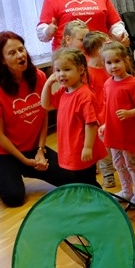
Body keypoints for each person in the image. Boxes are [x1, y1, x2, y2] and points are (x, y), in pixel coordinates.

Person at [0, 31, 74, 207]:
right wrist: (24, 161)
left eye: (21, 49)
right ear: (2, 60)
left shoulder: (38, 76)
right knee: (14, 198)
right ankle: (0, 177)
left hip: (32, 149)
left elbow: (43, 116)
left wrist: (40, 150)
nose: (20, 55)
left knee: (71, 178)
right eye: (12, 53)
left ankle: (20, 169)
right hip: (1, 153)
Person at [41, 48, 106, 185]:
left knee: (87, 182)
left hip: (81, 147)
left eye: (67, 69)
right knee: (79, 181)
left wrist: (87, 147)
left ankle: (99, 198)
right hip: (70, 148)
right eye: (58, 70)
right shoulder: (63, 91)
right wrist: (48, 83)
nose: (61, 74)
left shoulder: (85, 95)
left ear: (81, 70)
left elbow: (91, 124)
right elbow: (46, 104)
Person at [99, 41, 135, 206]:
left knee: (131, 164)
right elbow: (107, 107)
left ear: (126, 60)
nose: (113, 66)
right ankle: (127, 191)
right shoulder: (107, 84)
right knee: (118, 164)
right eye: (109, 62)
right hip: (114, 133)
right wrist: (105, 124)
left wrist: (129, 113)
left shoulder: (133, 84)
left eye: (117, 61)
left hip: (128, 134)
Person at [82, 30, 116, 189]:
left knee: (119, 145)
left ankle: (130, 171)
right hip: (97, 117)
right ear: (97, 50)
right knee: (104, 149)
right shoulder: (86, 73)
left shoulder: (109, 67)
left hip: (112, 113)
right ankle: (108, 174)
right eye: (107, 44)